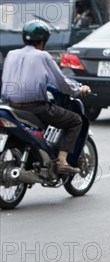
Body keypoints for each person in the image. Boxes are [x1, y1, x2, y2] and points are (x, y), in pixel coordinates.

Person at [0, 21, 91, 175]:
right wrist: (78, 89)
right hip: (36, 108)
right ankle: (62, 161)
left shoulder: (11, 54)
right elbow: (61, 83)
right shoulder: (43, 56)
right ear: (43, 41)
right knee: (75, 120)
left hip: (12, 107)